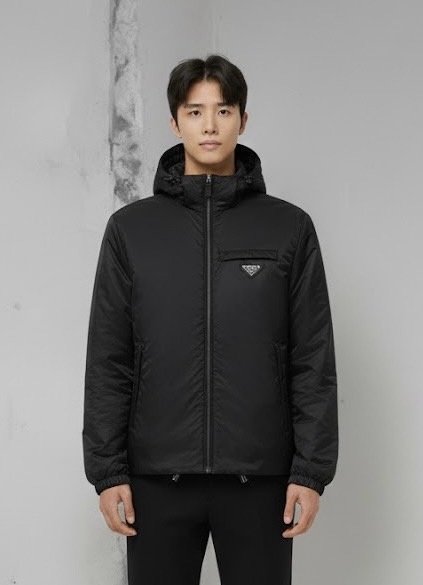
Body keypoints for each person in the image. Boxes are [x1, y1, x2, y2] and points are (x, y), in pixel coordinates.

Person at [82, 54, 339, 585]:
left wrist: (310, 472)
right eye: (195, 111)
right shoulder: (131, 231)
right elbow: (109, 357)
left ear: (243, 119)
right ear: (175, 122)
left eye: (223, 110)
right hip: (156, 480)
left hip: (260, 479)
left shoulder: (288, 228)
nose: (210, 125)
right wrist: (107, 471)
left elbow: (313, 357)